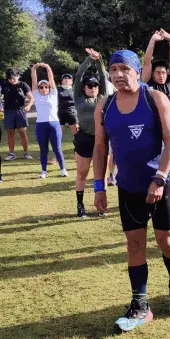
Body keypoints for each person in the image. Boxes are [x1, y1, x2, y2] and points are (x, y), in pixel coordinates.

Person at [92, 49, 170, 333]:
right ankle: (141, 307)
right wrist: (99, 186)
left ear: (136, 71)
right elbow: (99, 148)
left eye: (124, 68)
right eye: (114, 69)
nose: (119, 74)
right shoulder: (104, 106)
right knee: (134, 245)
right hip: (128, 187)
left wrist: (159, 178)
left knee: (166, 242)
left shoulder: (155, 98)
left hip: (160, 184)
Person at [143, 30, 170, 185]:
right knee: (155, 153)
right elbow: (147, 62)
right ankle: (156, 176)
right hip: (154, 126)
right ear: (153, 74)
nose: (161, 75)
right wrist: (153, 40)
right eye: (158, 72)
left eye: (163, 73)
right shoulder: (148, 84)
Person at [73, 48, 109, 218]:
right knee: (82, 173)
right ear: (84, 88)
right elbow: (79, 75)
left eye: (95, 85)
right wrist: (89, 59)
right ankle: (80, 206)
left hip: (101, 139)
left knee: (101, 174)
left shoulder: (103, 97)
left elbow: (103, 77)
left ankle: (101, 205)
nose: (93, 87)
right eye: (90, 85)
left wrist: (100, 59)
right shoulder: (79, 98)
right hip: (85, 139)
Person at [30, 62, 67, 178]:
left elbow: (51, 78)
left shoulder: (53, 94)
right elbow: (34, 80)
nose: (44, 89)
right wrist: (34, 68)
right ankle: (44, 171)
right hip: (41, 125)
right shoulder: (36, 95)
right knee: (43, 149)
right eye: (41, 87)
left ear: (49, 87)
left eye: (46, 87)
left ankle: (63, 169)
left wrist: (47, 67)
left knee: (57, 148)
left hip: (54, 124)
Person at [2, 69, 34, 160]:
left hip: (20, 110)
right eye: (9, 78)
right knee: (10, 132)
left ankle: (26, 153)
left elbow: (31, 98)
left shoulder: (23, 85)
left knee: (22, 132)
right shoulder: (5, 85)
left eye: (13, 78)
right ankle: (11, 154)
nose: (11, 80)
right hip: (8, 111)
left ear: (18, 75)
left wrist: (28, 106)